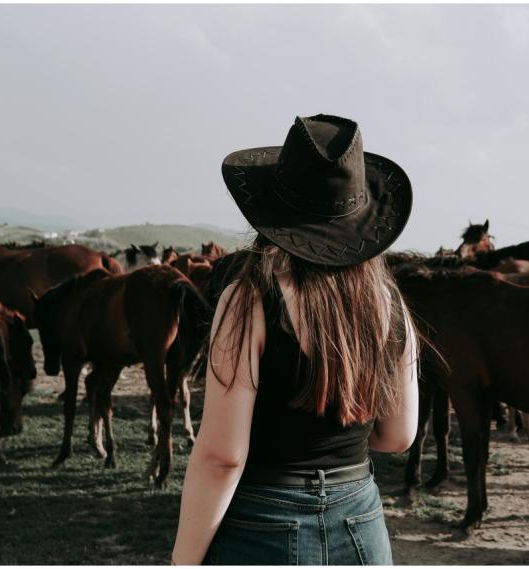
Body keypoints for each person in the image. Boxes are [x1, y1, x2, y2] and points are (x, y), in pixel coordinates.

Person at [171, 114, 419, 565]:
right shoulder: (391, 304)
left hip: (262, 525)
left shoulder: (247, 301)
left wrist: (182, 562)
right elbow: (398, 436)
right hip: (361, 521)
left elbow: (222, 458)